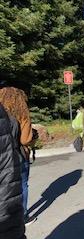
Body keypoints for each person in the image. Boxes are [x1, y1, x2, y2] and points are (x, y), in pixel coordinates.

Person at [0, 86, 34, 224]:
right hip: (18, 154)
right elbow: (25, 140)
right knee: (22, 184)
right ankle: (23, 216)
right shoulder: (22, 114)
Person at [0, 104, 27, 239]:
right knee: (22, 185)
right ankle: (25, 213)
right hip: (14, 159)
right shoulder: (18, 113)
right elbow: (25, 139)